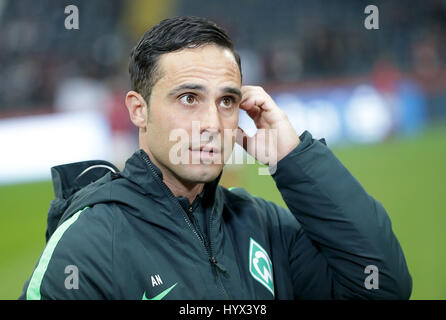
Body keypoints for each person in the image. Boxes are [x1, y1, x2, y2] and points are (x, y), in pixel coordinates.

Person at [20, 16, 411, 300]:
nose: (211, 122)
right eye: (189, 98)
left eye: (226, 101)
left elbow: (383, 286)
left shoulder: (265, 226)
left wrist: (294, 159)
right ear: (138, 110)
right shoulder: (90, 245)